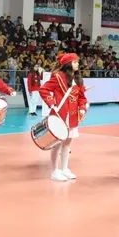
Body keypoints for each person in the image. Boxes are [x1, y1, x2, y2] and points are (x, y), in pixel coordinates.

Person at [39, 53, 89, 181]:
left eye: (77, 62)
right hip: (60, 115)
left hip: (72, 117)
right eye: (75, 62)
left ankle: (64, 168)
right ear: (68, 64)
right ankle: (55, 170)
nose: (78, 64)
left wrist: (82, 108)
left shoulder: (78, 79)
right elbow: (43, 89)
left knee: (67, 144)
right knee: (57, 144)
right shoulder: (58, 76)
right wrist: (52, 104)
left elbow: (82, 97)